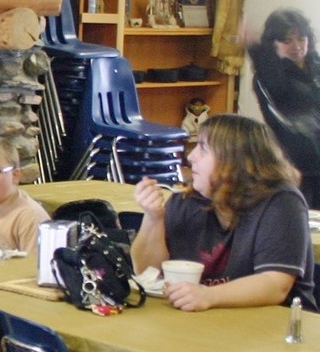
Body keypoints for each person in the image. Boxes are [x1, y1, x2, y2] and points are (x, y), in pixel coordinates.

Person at [132, 113, 316, 312]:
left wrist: (208, 295)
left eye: (203, 148)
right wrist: (153, 218)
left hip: (275, 330)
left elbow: (275, 285)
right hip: (204, 324)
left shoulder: (280, 202)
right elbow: (149, 274)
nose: (190, 156)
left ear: (236, 160)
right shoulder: (186, 202)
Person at [245, 9, 320, 209]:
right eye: (287, 41)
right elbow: (288, 102)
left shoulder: (316, 66)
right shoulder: (267, 78)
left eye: (301, 39)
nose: (297, 46)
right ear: (273, 43)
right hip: (295, 166)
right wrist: (258, 52)